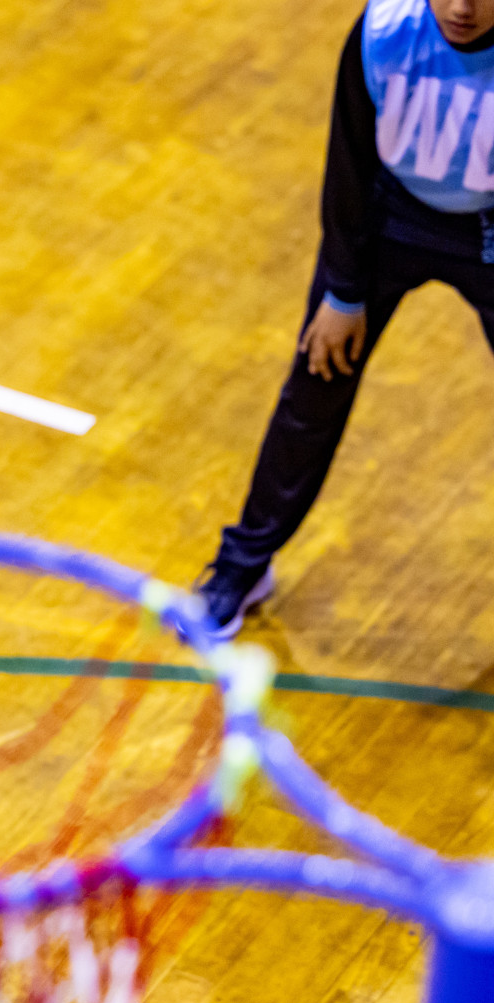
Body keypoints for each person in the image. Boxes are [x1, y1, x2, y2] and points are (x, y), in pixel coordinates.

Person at [199, 0, 494, 638]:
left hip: (491, 234)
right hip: (389, 220)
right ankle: (243, 564)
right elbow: (349, 165)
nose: (462, 9)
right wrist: (342, 291)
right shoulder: (384, 32)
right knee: (315, 386)